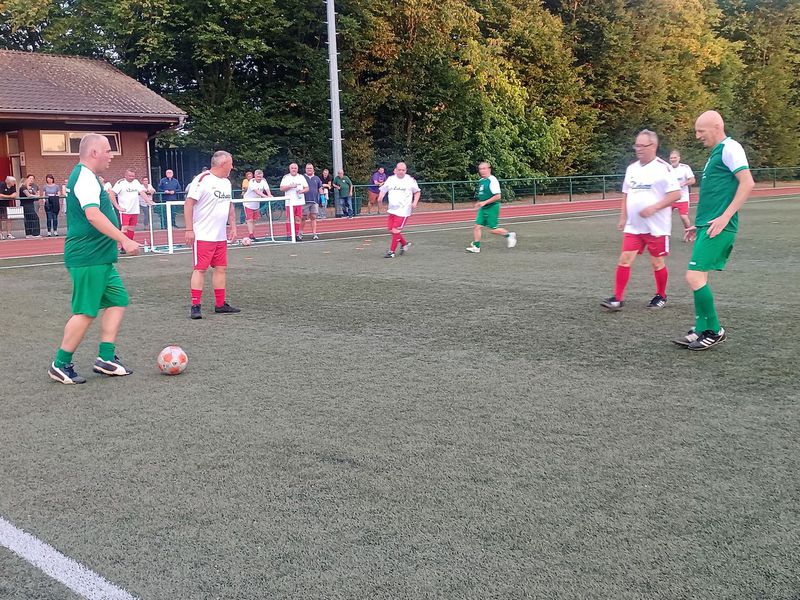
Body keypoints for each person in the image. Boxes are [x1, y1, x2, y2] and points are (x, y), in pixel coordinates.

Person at [48, 133, 140, 385]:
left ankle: (105, 358)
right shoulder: (85, 177)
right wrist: (124, 239)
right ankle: (60, 364)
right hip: (88, 257)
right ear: (93, 153)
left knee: (118, 300)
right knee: (86, 312)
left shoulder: (88, 177)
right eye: (108, 150)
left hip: (99, 257)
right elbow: (93, 215)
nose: (112, 155)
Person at [673, 110, 754, 350]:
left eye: (701, 130)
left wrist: (725, 217)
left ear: (717, 126)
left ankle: (715, 330)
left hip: (721, 226)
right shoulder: (715, 154)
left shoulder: (730, 148)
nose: (697, 136)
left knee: (693, 276)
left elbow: (747, 182)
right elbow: (715, 194)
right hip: (707, 226)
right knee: (699, 277)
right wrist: (698, 225)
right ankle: (701, 328)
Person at [601, 129, 680, 311]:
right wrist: (623, 216)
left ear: (653, 146)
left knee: (657, 262)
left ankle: (661, 295)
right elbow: (626, 194)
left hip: (656, 227)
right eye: (636, 145)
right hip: (634, 226)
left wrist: (654, 208)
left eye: (642, 145)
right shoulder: (632, 168)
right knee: (625, 259)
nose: (638, 149)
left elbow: (675, 194)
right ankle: (617, 298)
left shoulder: (663, 168)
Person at [185, 150, 240, 320]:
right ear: (223, 164)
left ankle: (220, 304)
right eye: (230, 163)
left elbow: (229, 205)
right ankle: (195, 306)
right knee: (200, 269)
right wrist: (189, 229)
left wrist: (233, 226)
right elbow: (188, 204)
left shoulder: (226, 183)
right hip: (203, 235)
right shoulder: (202, 179)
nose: (232, 167)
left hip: (220, 236)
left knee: (221, 268)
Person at [465, 162, 517, 253]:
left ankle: (509, 235)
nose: (482, 171)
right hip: (483, 208)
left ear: (489, 169)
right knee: (477, 226)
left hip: (492, 207)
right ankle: (476, 247)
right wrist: (479, 202)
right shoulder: (481, 181)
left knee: (493, 230)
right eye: (480, 169)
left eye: (484, 168)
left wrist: (484, 202)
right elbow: (483, 195)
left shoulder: (492, 180)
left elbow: (498, 196)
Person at [378, 162, 420, 258]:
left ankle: (391, 252)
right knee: (391, 229)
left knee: (395, 230)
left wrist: (415, 202)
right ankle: (404, 244)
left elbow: (417, 192)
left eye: (403, 170)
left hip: (403, 210)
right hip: (392, 209)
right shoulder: (390, 179)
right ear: (395, 170)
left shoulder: (410, 180)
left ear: (406, 170)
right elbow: (383, 189)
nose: (401, 172)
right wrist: (380, 198)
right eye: (399, 170)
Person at [112, 170, 150, 248]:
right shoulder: (121, 183)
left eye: (133, 176)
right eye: (130, 176)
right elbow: (111, 193)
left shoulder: (136, 182)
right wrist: (117, 206)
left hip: (134, 209)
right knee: (124, 228)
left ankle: (130, 245)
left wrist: (148, 201)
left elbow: (142, 192)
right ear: (125, 175)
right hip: (125, 210)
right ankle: (123, 246)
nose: (132, 178)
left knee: (131, 228)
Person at [279, 163, 308, 241]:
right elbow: (281, 188)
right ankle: (289, 234)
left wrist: (301, 191)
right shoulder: (286, 177)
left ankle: (296, 234)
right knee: (289, 218)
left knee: (298, 218)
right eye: (292, 168)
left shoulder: (301, 177)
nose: (294, 169)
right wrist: (290, 186)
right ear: (290, 169)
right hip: (289, 202)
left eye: (295, 168)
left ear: (297, 169)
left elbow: (307, 188)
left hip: (299, 201)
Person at [668, 150, 696, 233]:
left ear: (679, 158)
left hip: (682, 197)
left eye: (675, 158)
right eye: (671, 158)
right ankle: (664, 235)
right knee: (665, 217)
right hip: (670, 198)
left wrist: (683, 184)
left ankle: (689, 233)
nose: (673, 159)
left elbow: (692, 180)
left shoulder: (685, 168)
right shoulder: (667, 168)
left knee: (684, 217)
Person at [243, 169, 272, 240]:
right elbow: (256, 191)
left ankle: (252, 234)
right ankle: (251, 234)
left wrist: (269, 195)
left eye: (260, 177)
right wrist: (265, 196)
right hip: (248, 203)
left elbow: (267, 189)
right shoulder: (251, 181)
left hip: (256, 203)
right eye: (257, 177)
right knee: (250, 220)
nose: (259, 178)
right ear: (255, 176)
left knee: (255, 220)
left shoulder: (264, 181)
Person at [301, 163, 323, 240]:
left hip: (314, 201)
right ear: (305, 169)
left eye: (310, 168)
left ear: (313, 169)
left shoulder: (317, 178)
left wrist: (322, 198)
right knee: (303, 217)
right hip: (304, 201)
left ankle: (314, 233)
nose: (309, 169)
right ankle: (300, 233)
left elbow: (320, 188)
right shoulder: (302, 178)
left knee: (313, 217)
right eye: (308, 168)